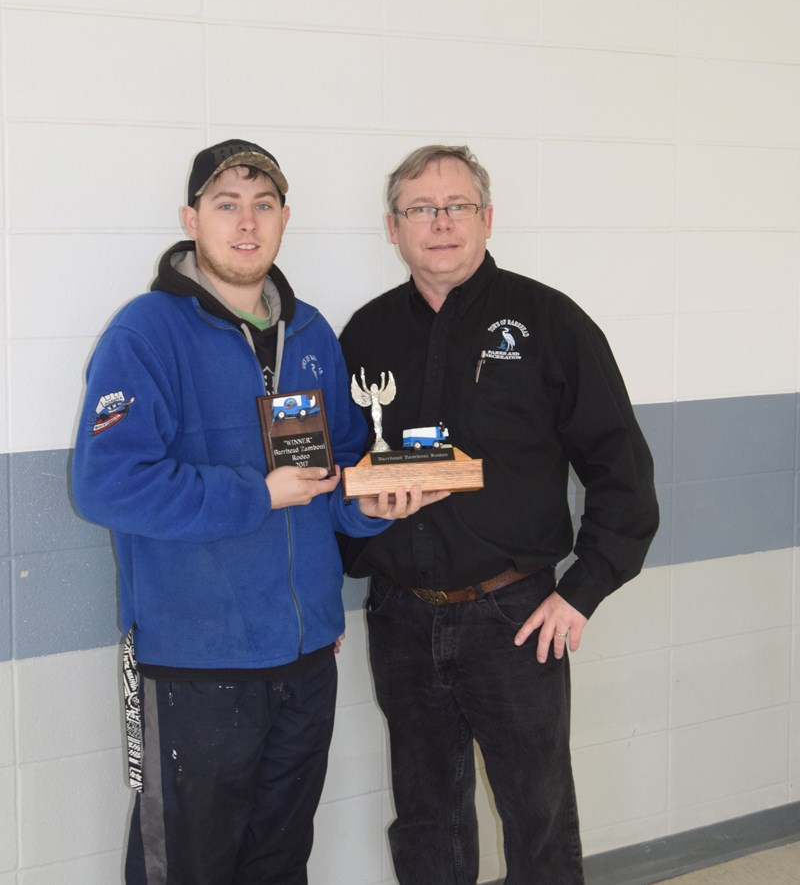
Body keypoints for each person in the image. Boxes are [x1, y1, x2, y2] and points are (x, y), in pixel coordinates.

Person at [71, 139, 441, 885]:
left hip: (304, 663)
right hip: (195, 671)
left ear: (284, 218)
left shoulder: (311, 336)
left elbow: (335, 486)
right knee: (187, 869)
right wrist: (256, 492)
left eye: (263, 205)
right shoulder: (145, 333)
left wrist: (378, 505)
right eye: (226, 205)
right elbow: (105, 485)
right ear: (191, 218)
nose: (247, 223)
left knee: (278, 863)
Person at [338, 145, 659, 885]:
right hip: (401, 619)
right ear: (394, 228)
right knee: (425, 819)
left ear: (487, 218)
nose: (441, 222)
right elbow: (340, 476)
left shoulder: (550, 322)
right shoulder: (366, 335)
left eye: (457, 205)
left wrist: (581, 591)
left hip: (513, 616)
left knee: (537, 818)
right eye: (422, 208)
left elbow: (624, 472)